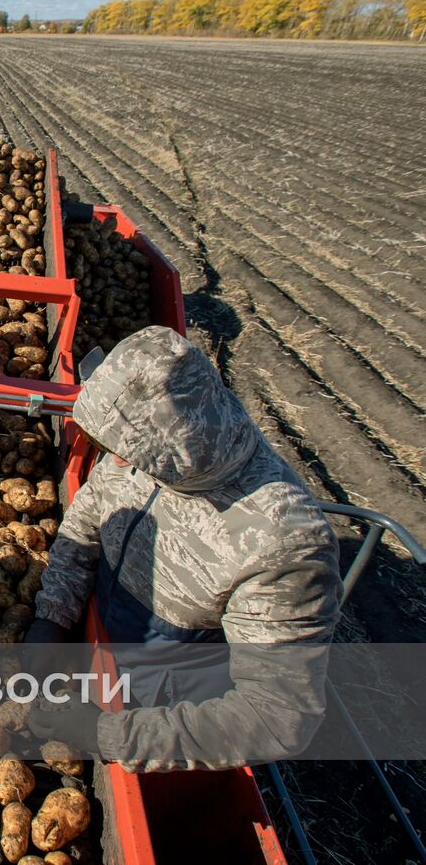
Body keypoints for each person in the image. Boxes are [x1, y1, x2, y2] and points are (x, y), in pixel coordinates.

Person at [25, 325, 342, 771]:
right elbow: (90, 514)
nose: (115, 462)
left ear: (167, 455)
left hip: (165, 712)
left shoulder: (284, 546)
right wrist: (53, 616)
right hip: (101, 643)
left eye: (126, 453)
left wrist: (108, 736)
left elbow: (276, 716)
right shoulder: (141, 444)